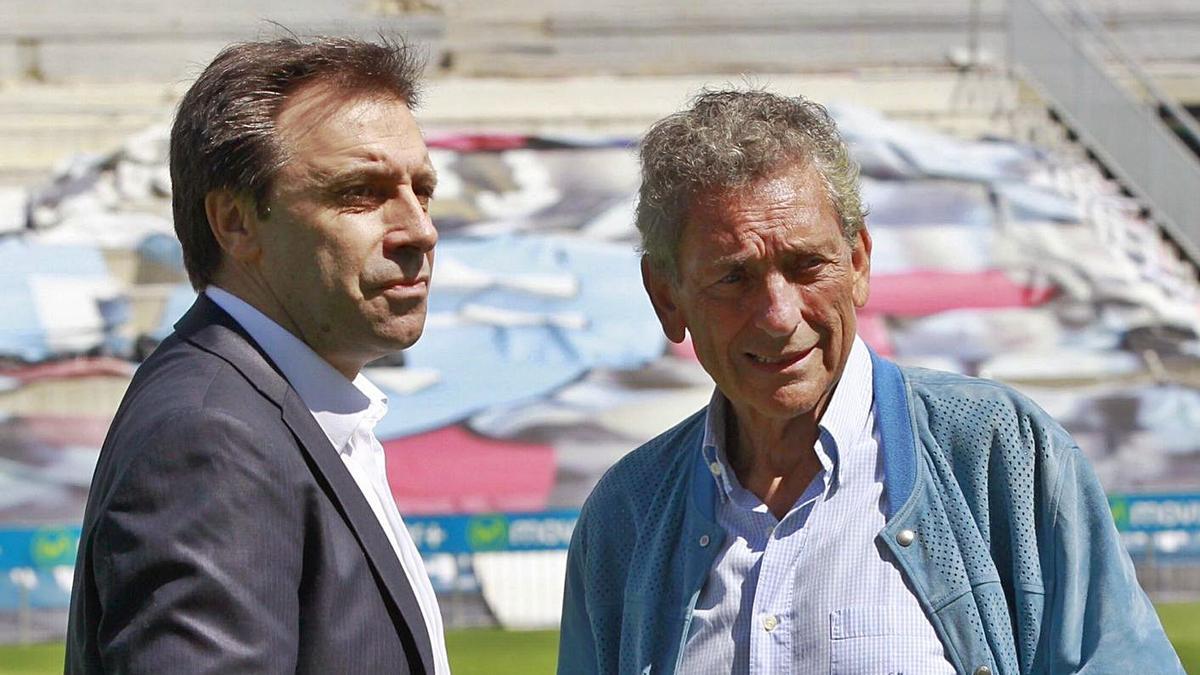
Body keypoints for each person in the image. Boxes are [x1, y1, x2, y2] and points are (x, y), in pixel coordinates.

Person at [557, 89, 1182, 674]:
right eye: (733, 278)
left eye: (808, 266)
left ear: (858, 262)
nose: (779, 316)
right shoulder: (626, 516)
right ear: (666, 297)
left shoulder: (1000, 453)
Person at [66, 36, 449, 674]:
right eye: (362, 192)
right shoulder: (212, 435)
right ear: (236, 223)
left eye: (422, 190)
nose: (419, 228)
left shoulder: (277, 407)